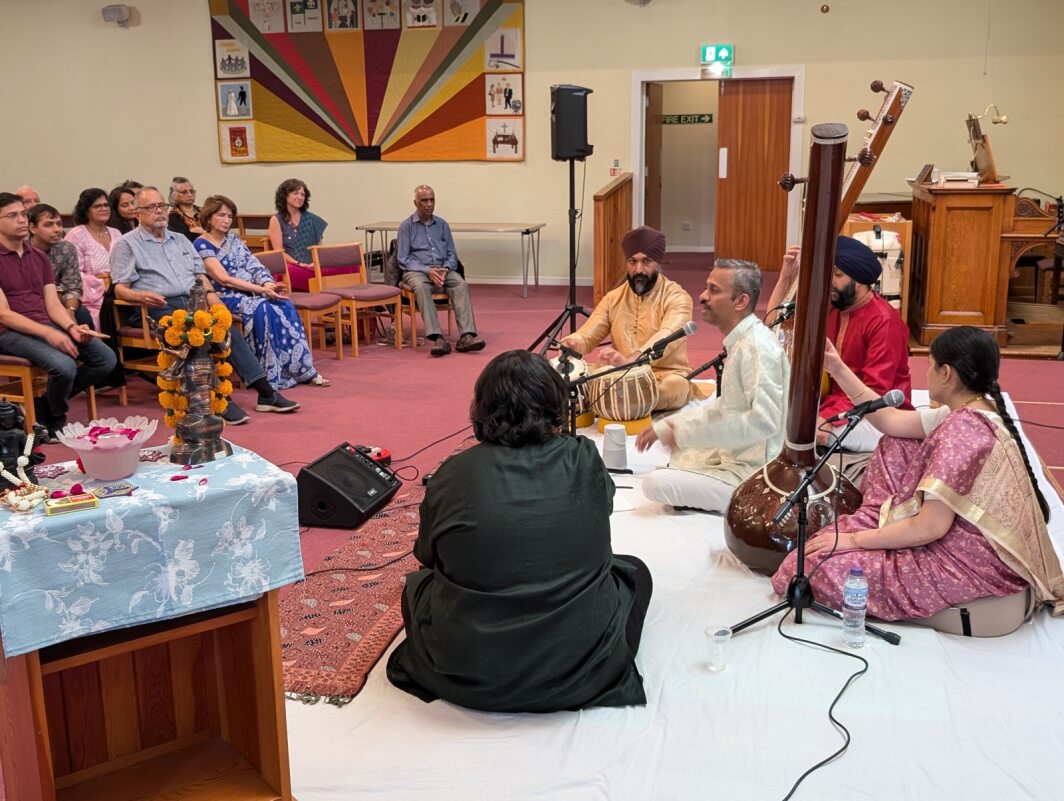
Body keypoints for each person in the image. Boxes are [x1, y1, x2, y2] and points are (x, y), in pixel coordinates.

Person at [387, 350, 651, 712]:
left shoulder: (452, 473)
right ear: (555, 406)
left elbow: (428, 558)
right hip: (577, 674)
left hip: (469, 672)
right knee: (635, 572)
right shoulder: (584, 457)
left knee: (416, 588)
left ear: (481, 409)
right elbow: (599, 512)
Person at [773, 326, 1064, 623]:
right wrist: (836, 367)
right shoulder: (973, 410)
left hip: (968, 563)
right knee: (897, 442)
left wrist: (857, 540)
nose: (927, 373)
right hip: (965, 544)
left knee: (811, 567)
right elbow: (890, 420)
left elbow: (930, 528)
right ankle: (876, 520)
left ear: (947, 374)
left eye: (931, 366)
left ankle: (872, 531)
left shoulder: (962, 431)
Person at [110, 187, 300, 425]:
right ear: (137, 213)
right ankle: (219, 399)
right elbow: (119, 288)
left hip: (193, 302)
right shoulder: (126, 244)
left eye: (162, 206)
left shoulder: (180, 240)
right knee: (198, 335)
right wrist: (141, 296)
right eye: (151, 207)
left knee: (225, 325)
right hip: (156, 307)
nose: (159, 211)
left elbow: (200, 276)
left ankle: (266, 393)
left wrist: (214, 301)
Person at [636, 260, 789, 513]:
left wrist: (685, 434)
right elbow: (726, 407)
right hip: (739, 455)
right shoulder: (743, 341)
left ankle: (750, 503)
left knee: (655, 483)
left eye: (714, 290)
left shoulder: (758, 347)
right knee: (679, 457)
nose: (702, 296)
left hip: (759, 474)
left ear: (740, 301)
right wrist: (668, 427)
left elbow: (765, 422)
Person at [0, 192, 116, 438]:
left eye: (23, 214)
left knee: (105, 358)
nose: (22, 220)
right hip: (8, 331)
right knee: (64, 366)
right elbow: (4, 314)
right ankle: (55, 419)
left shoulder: (39, 257)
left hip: (43, 321)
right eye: (12, 216)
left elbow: (53, 304)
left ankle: (43, 407)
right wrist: (50, 334)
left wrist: (71, 327)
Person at [194, 195, 329, 390]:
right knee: (263, 308)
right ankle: (269, 373)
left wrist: (269, 284)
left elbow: (254, 265)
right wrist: (262, 290)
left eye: (230, 216)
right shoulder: (201, 244)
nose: (227, 220)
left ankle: (302, 369)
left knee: (285, 304)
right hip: (226, 296)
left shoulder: (234, 240)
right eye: (221, 215)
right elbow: (223, 278)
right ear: (208, 218)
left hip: (253, 290)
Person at [560, 225, 695, 411]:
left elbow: (666, 337)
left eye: (646, 261)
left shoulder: (678, 298)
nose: (638, 269)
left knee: (676, 387)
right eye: (632, 261)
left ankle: (606, 400)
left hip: (662, 374)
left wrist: (631, 361)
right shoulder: (614, 298)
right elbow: (587, 335)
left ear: (658, 263)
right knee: (572, 377)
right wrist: (572, 343)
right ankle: (617, 399)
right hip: (616, 372)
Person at [396, 185, 485, 357]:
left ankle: (467, 336)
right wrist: (428, 271)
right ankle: (437, 338)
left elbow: (452, 253)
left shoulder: (442, 224)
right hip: (417, 271)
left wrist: (444, 269)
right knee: (422, 288)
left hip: (442, 269)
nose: (429, 204)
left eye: (432, 200)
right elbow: (403, 259)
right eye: (424, 201)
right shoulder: (406, 227)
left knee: (460, 284)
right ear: (415, 203)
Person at [27, 204, 93, 329]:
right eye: (49, 225)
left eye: (59, 224)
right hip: (32, 306)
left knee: (83, 314)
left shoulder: (66, 248)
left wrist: (70, 311)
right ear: (32, 228)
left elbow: (73, 286)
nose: (57, 229)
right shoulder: (21, 249)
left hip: (62, 303)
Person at [64, 188, 120, 329]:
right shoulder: (76, 235)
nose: (104, 209)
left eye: (106, 205)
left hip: (119, 294)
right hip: (91, 300)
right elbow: (73, 274)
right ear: (86, 210)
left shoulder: (116, 233)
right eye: (97, 206)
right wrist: (104, 284)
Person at [268, 178, 327, 291]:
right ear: (285, 195)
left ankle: (342, 303)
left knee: (348, 266)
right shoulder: (276, 220)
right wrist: (299, 264)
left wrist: (314, 263)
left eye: (303, 195)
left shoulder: (312, 219)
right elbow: (278, 252)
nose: (300, 197)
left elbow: (319, 248)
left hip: (312, 266)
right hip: (293, 266)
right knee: (289, 271)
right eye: (295, 193)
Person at [167, 177, 204, 243]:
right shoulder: (173, 216)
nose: (189, 195)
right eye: (184, 192)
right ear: (174, 195)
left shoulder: (204, 211)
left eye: (191, 191)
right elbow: (185, 239)